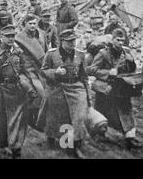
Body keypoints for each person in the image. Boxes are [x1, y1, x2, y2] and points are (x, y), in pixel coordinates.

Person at [86, 28, 142, 149]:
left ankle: (129, 136)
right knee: (102, 110)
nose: (120, 42)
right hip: (105, 86)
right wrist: (108, 72)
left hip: (121, 87)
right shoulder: (103, 53)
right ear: (112, 40)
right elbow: (90, 70)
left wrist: (130, 67)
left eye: (122, 40)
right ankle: (98, 134)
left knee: (126, 109)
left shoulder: (126, 53)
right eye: (118, 40)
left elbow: (131, 70)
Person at [41, 29, 89, 159]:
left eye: (74, 40)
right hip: (58, 87)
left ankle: (75, 144)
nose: (72, 43)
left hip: (76, 87)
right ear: (62, 41)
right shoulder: (51, 54)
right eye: (69, 41)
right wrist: (55, 72)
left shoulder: (80, 54)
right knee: (61, 118)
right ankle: (66, 145)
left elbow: (84, 76)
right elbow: (43, 71)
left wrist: (88, 95)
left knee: (79, 116)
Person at [0, 25, 29, 159]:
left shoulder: (18, 52)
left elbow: (24, 71)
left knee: (16, 120)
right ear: (1, 37)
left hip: (15, 91)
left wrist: (28, 86)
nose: (10, 39)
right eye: (7, 36)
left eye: (12, 36)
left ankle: (16, 148)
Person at [14, 14, 47, 131]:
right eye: (30, 23)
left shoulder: (41, 35)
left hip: (41, 68)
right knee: (39, 92)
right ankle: (33, 120)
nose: (33, 26)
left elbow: (45, 51)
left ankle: (39, 119)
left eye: (34, 23)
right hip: (27, 69)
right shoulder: (18, 38)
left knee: (45, 92)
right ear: (25, 24)